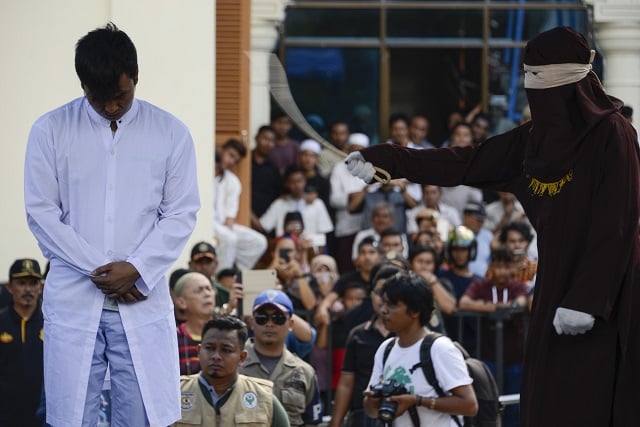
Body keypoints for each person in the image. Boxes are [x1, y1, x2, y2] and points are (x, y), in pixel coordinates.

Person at [346, 26, 640, 427]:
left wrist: (587, 299)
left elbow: (619, 221)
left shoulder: (612, 134)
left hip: (612, 289)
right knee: (550, 396)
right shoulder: (532, 141)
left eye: (541, 86)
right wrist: (389, 160)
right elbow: (464, 161)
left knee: (599, 393)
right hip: (556, 285)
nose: (536, 99)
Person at [24, 23, 200, 426]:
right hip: (75, 294)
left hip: (141, 294)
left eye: (120, 96)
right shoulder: (50, 130)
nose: (110, 108)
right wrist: (103, 270)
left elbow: (181, 211)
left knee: (141, 415)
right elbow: (41, 213)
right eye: (99, 98)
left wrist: (137, 268)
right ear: (81, 83)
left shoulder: (170, 133)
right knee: (72, 416)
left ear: (136, 76)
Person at [363, 272, 478, 426]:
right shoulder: (386, 349)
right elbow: (371, 411)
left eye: (392, 305)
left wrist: (418, 401)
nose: (383, 310)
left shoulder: (440, 348)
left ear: (415, 311)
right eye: (383, 303)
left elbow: (470, 405)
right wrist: (372, 400)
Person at [172, 316, 290, 427]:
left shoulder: (263, 398)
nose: (216, 356)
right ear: (199, 351)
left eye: (226, 350)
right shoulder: (176, 395)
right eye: (209, 348)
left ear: (242, 357)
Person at [459, 247, 528, 427]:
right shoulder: (481, 285)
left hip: (515, 358)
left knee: (514, 406)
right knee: (489, 401)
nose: (502, 272)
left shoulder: (517, 286)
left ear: (513, 268)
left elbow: (520, 302)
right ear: (491, 267)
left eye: (507, 267)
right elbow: (464, 302)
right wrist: (495, 308)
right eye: (498, 266)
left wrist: (506, 308)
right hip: (489, 356)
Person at [329, 265, 398, 427]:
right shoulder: (358, 334)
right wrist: (335, 423)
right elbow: (346, 383)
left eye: (392, 293)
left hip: (404, 414)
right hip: (363, 415)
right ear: (371, 295)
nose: (384, 299)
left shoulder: (412, 337)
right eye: (380, 292)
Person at [241, 290, 323, 426]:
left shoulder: (304, 372)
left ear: (291, 324)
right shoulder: (234, 365)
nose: (270, 324)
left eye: (278, 318)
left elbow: (311, 422)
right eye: (262, 317)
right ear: (251, 322)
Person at [0, 259, 44, 427]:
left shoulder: (52, 324)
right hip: (6, 417)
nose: (28, 289)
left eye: (33, 283)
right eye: (21, 283)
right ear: (9, 287)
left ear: (40, 287)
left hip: (43, 417)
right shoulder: (1, 322)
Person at [214, 138, 268, 272]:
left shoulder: (232, 181)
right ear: (221, 150)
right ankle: (222, 278)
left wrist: (227, 230)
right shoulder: (203, 170)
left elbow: (229, 217)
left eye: (236, 160)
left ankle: (236, 275)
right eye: (230, 155)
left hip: (220, 224)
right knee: (230, 239)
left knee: (259, 242)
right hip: (203, 221)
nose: (231, 161)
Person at [173, 272, 216, 375]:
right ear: (181, 302)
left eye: (209, 289)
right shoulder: (173, 338)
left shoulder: (227, 334)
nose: (207, 294)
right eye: (199, 290)